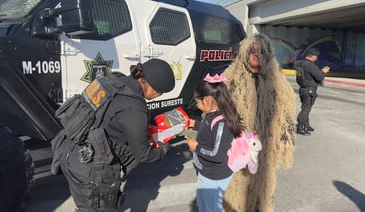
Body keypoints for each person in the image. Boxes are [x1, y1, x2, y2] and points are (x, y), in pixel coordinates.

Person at [51, 59, 175, 212]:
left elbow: (109, 115)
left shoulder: (112, 79)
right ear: (154, 89)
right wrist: (162, 151)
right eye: (160, 93)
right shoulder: (135, 107)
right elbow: (143, 154)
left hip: (69, 149)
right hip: (89, 168)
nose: (158, 96)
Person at [222, 34, 297, 212]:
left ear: (268, 55)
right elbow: (217, 113)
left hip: (264, 151)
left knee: (261, 195)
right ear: (244, 53)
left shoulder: (278, 82)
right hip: (237, 151)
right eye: (252, 51)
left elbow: (287, 118)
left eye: (262, 51)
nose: (257, 55)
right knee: (236, 192)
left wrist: (283, 143)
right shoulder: (231, 79)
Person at [186, 73, 244, 212]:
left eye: (198, 102)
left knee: (211, 208)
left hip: (214, 175)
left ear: (207, 100)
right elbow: (209, 127)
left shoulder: (221, 123)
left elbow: (217, 154)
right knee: (202, 203)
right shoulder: (213, 114)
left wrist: (197, 147)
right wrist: (195, 124)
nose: (198, 106)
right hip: (207, 171)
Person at [295, 47, 330, 135]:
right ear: (313, 56)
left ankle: (306, 125)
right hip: (309, 90)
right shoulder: (310, 65)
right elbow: (319, 77)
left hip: (303, 88)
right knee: (306, 109)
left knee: (307, 108)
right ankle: (300, 127)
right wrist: (324, 72)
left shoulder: (300, 63)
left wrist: (319, 71)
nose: (316, 58)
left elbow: (309, 74)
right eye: (316, 56)